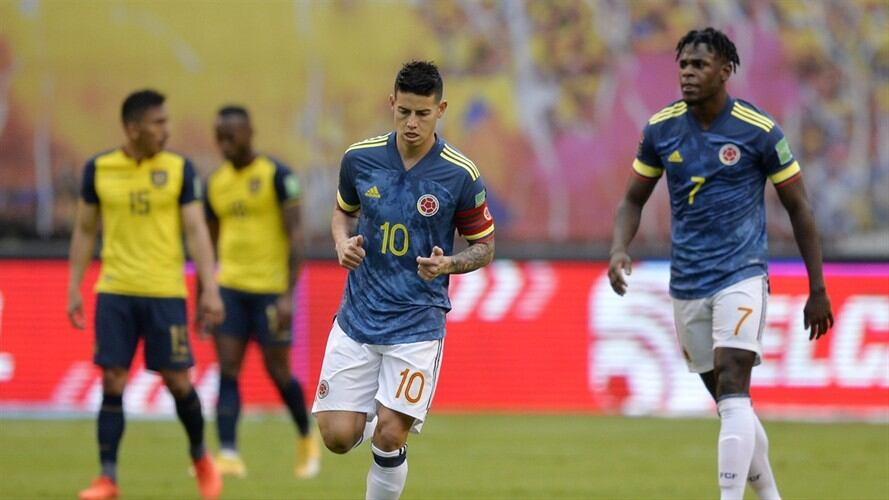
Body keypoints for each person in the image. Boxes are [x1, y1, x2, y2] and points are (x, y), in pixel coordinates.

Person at [608, 28, 834, 500]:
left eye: (699, 65)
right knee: (730, 401)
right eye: (683, 66)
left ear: (725, 71)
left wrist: (817, 288)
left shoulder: (759, 130)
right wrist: (619, 248)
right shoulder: (661, 129)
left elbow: (799, 207)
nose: (688, 74)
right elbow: (632, 199)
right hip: (687, 281)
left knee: (733, 379)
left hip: (741, 273)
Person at [313, 60, 495, 499]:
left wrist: (447, 264)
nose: (412, 123)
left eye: (423, 113)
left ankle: (388, 424)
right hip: (358, 317)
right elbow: (343, 213)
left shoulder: (459, 174)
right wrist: (341, 243)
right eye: (404, 111)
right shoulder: (359, 159)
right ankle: (372, 414)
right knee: (337, 437)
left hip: (417, 323)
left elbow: (485, 246)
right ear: (392, 103)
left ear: (441, 110)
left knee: (391, 435)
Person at [67, 89, 224, 500]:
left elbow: (196, 231)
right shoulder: (99, 169)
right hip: (115, 291)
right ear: (133, 128)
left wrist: (209, 289)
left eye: (166, 122)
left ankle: (201, 458)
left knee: (178, 382)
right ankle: (107, 478)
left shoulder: (178, 169)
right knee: (112, 379)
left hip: (164, 293)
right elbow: (84, 230)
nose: (166, 130)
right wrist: (74, 287)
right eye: (158, 123)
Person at [204, 105, 320, 479]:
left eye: (230, 136)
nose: (224, 144)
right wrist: (205, 293)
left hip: (270, 291)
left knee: (278, 371)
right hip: (230, 289)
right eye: (219, 137)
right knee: (228, 368)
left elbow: (296, 237)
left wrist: (288, 295)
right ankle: (228, 454)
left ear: (249, 133)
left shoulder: (278, 176)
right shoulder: (215, 184)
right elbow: (208, 242)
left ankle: (306, 437)